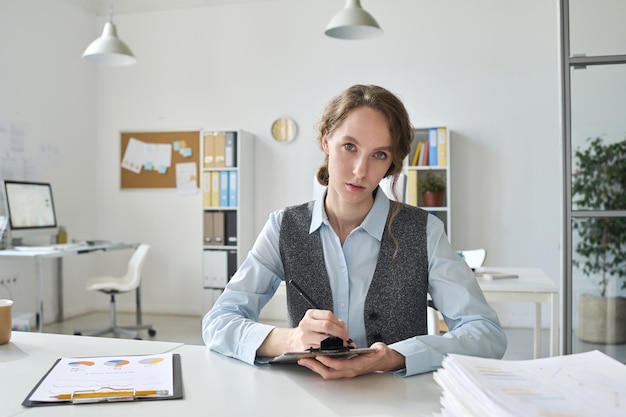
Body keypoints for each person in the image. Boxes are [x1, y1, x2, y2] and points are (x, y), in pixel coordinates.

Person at [202, 84, 507, 379]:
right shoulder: (283, 227)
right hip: (308, 400)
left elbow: (486, 333)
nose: (361, 170)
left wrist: (396, 357)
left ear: (390, 164)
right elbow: (218, 322)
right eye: (350, 147)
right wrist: (291, 340)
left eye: (379, 155)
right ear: (326, 141)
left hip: (401, 402)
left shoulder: (425, 231)